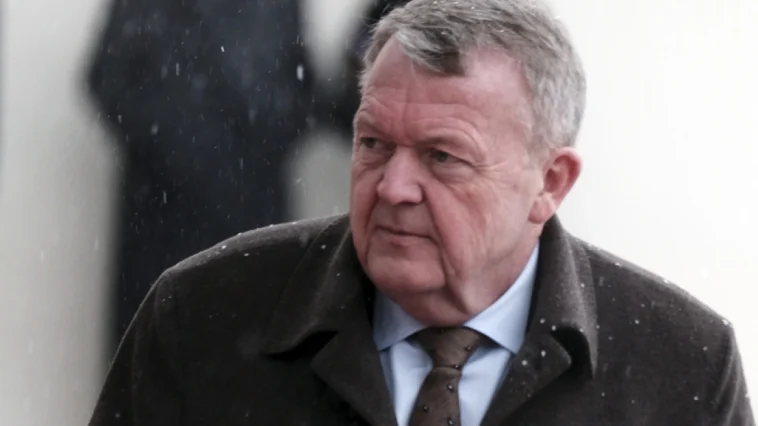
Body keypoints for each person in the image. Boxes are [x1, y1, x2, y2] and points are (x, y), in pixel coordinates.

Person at [88, 0, 755, 425]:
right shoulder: (200, 317)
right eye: (373, 144)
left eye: (442, 157)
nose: (393, 187)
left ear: (550, 182)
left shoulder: (683, 366)